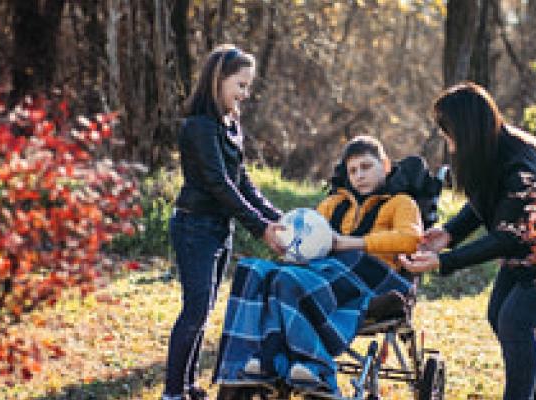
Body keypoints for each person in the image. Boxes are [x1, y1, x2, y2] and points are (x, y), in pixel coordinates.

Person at [400, 82, 536, 400]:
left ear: (466, 129)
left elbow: (506, 237)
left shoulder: (521, 164)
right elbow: (485, 202)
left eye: (448, 130)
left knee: (515, 322)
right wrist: (450, 233)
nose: (446, 138)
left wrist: (445, 261)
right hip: (529, 247)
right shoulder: (490, 149)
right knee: (499, 313)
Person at [215, 136, 424, 399]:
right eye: (352, 170)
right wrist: (288, 242)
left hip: (372, 279)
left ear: (385, 165)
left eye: (366, 167)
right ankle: (254, 363)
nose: (359, 175)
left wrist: (349, 243)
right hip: (324, 275)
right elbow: (309, 243)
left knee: (291, 278)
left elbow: (410, 239)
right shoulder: (332, 205)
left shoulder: (401, 203)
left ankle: (315, 368)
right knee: (255, 271)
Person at [162, 44, 286, 400]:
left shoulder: (230, 124)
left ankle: (187, 386)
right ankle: (173, 393)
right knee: (195, 309)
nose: (245, 94)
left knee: (204, 310)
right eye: (240, 85)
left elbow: (243, 181)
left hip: (219, 229)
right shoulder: (199, 127)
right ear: (218, 80)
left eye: (248, 86)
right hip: (194, 228)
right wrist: (261, 227)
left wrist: (278, 217)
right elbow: (220, 185)